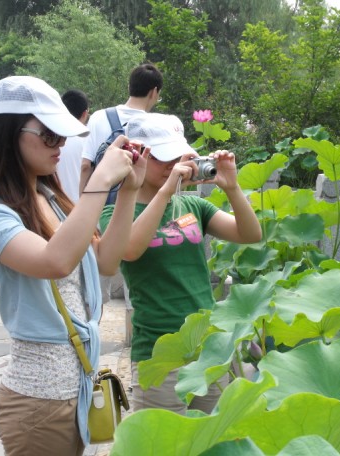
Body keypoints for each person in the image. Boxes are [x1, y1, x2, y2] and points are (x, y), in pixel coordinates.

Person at [0, 75, 147, 455]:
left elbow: (105, 261)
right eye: (49, 135)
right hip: (38, 400)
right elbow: (54, 261)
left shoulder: (49, 197)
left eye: (63, 135)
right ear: (9, 133)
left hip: (78, 391)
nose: (61, 145)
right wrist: (100, 179)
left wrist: (129, 191)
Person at [99, 112, 262, 414]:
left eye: (177, 157)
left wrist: (232, 187)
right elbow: (131, 250)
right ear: (137, 155)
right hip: (160, 350)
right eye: (162, 158)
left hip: (209, 345)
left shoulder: (193, 205)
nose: (172, 166)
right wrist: (165, 191)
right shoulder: (117, 213)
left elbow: (250, 233)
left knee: (215, 441)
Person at [79, 62, 167, 195]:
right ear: (154, 92)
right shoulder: (158, 125)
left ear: (129, 87)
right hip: (138, 206)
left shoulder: (98, 117)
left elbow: (86, 166)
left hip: (101, 202)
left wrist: (82, 201)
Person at [57, 89, 89, 203]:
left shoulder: (51, 139)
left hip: (55, 205)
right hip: (82, 207)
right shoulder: (89, 139)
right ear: (85, 113)